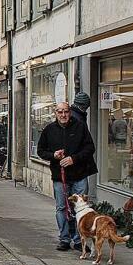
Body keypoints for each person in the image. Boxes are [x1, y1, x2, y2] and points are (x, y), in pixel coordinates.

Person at [37, 102, 96, 252]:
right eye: (60, 112)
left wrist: (73, 159)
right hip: (59, 176)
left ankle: (79, 240)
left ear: (70, 112)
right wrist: (53, 155)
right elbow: (41, 151)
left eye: (66, 111)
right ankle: (64, 239)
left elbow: (90, 148)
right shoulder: (49, 130)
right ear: (55, 113)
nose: (63, 115)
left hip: (79, 174)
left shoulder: (80, 126)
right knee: (62, 208)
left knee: (81, 209)